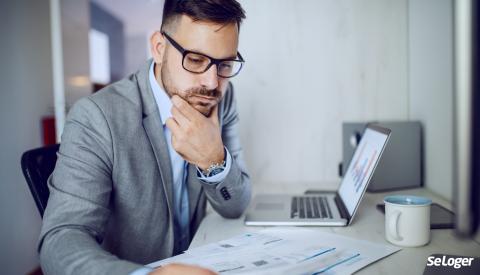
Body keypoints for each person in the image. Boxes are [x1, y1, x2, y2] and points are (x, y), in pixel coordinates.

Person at [38, 0, 251, 274]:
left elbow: (236, 206)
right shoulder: (96, 117)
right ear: (159, 48)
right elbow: (59, 241)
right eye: (196, 60)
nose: (211, 83)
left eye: (224, 64)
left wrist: (214, 160)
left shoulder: (222, 98)